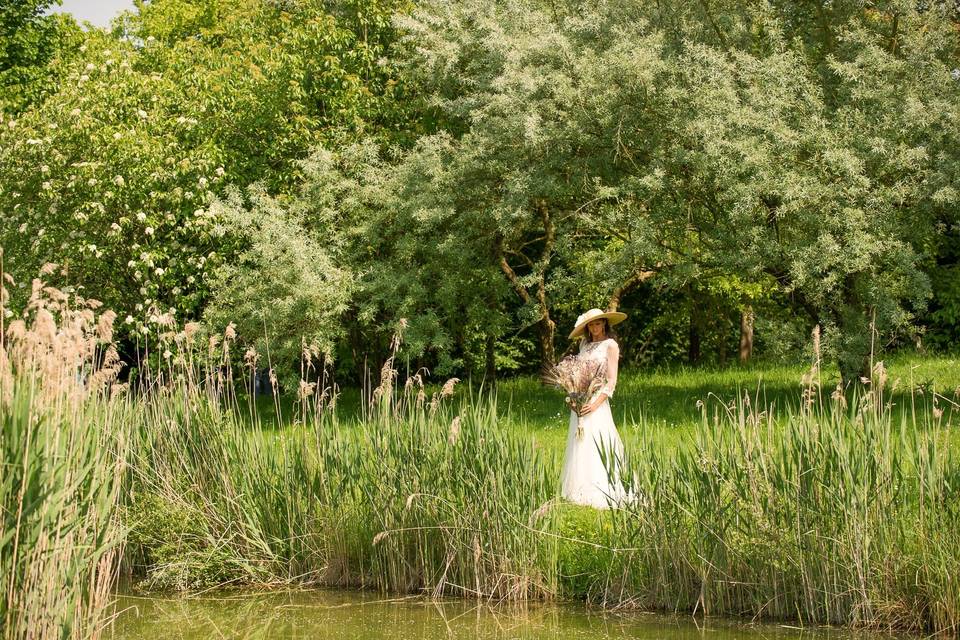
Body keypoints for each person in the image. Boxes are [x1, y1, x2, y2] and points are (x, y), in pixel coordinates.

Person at [559, 308, 630, 508]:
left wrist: (595, 404)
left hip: (597, 400)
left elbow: (612, 381)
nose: (595, 327)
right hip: (581, 398)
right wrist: (574, 397)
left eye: (598, 323)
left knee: (598, 440)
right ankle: (579, 490)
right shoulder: (584, 344)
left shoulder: (610, 345)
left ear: (605, 324)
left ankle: (603, 488)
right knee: (579, 441)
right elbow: (577, 374)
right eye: (591, 324)